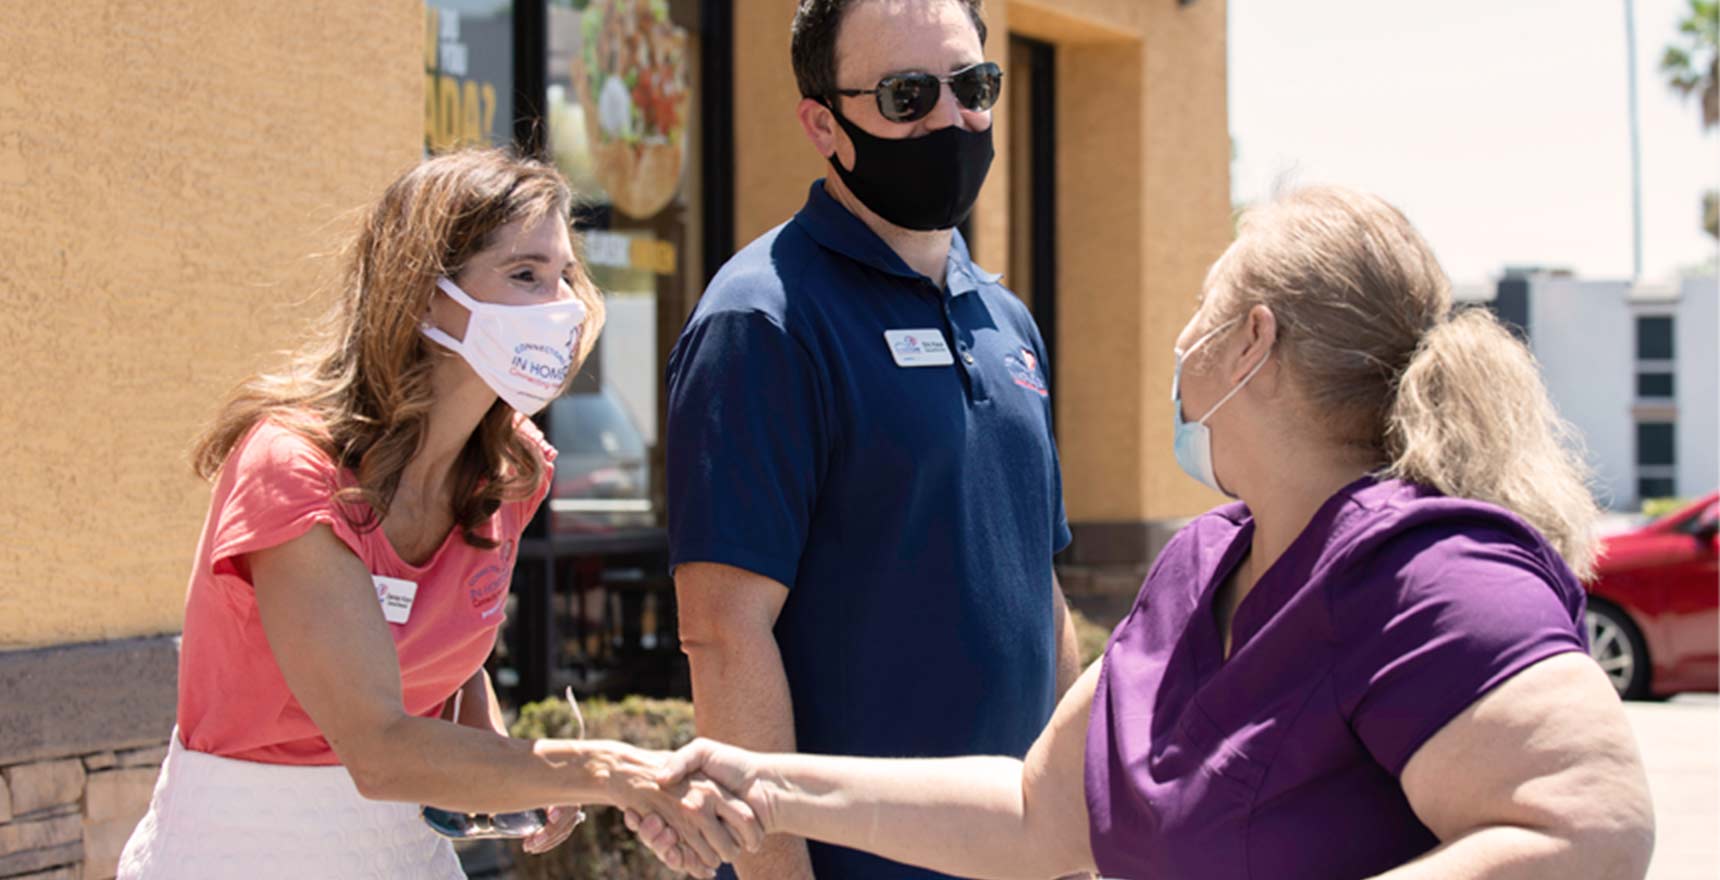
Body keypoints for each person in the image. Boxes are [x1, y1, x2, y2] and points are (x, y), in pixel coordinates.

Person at [633, 186, 1657, 879]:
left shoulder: (1427, 571)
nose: (1185, 335)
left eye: (1206, 303)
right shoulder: (1202, 564)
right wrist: (760, 781)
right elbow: (1037, 815)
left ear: (1252, 340)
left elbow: (1592, 824)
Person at [118, 149, 762, 880]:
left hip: (403, 851)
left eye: (565, 278)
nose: (558, 307)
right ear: (424, 294)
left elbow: (437, 649)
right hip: (241, 847)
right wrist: (607, 769)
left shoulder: (511, 468)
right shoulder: (292, 469)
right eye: (525, 275)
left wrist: (512, 767)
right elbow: (382, 750)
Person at [662, 1, 1080, 878]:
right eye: (905, 95)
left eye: (974, 86)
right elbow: (725, 633)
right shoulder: (763, 320)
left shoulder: (1008, 322)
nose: (950, 118)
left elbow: (1039, 592)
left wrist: (1072, 839)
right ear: (824, 124)